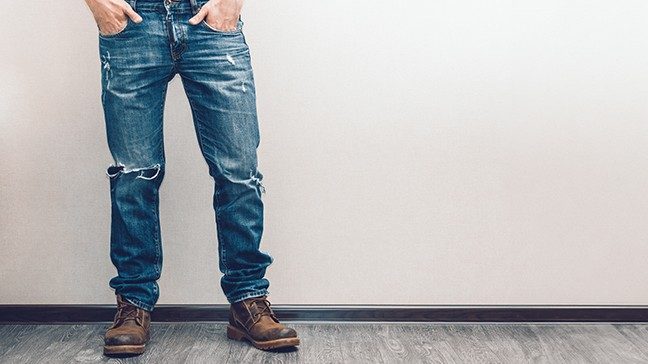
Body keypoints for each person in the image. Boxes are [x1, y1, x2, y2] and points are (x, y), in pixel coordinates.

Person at [83, 0, 300, 355]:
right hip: (134, 23)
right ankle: (133, 303)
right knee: (134, 175)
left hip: (210, 25)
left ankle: (248, 300)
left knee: (239, 172)